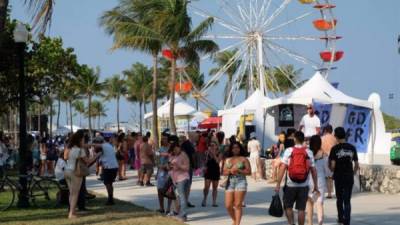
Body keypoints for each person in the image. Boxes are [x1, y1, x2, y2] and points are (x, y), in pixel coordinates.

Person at [275, 131, 319, 225]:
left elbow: (283, 168)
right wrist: (315, 185)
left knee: (288, 207)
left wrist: (278, 184)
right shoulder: (308, 152)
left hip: (290, 184)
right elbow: (314, 170)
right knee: (301, 209)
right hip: (304, 185)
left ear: (294, 139)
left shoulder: (289, 151)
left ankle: (291, 223)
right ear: (303, 140)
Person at [64, 132, 98, 219]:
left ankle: (72, 211)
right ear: (80, 139)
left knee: (71, 193)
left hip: (67, 170)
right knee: (75, 193)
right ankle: (71, 213)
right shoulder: (80, 150)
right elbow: (87, 161)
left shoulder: (68, 147)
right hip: (75, 172)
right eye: (83, 139)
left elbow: (65, 157)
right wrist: (96, 156)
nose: (84, 141)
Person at [329, 127, 359, 225]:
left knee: (339, 198)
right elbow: (357, 165)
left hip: (338, 177)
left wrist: (331, 169)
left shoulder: (334, 149)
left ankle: (341, 218)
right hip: (349, 176)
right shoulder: (352, 147)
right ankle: (347, 221)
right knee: (347, 200)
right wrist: (353, 173)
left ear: (336, 136)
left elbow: (333, 166)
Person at [223, 142, 251, 225]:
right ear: (231, 149)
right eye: (233, 147)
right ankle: (235, 220)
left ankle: (237, 223)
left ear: (240, 148)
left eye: (237, 147)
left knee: (238, 204)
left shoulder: (244, 159)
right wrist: (230, 171)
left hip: (241, 182)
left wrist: (239, 170)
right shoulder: (228, 159)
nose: (235, 149)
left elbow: (249, 172)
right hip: (230, 182)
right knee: (228, 205)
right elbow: (224, 172)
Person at [306, 135, 330, 225]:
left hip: (309, 181)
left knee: (310, 203)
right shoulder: (324, 155)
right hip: (320, 182)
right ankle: (320, 223)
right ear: (320, 143)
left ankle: (310, 223)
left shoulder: (307, 154)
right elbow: (327, 171)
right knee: (319, 204)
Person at [169, 140, 190, 222]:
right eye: (173, 149)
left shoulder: (183, 155)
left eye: (176, 149)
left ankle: (183, 215)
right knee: (177, 197)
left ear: (179, 147)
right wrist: (169, 166)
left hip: (182, 178)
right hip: (175, 179)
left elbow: (187, 168)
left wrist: (178, 166)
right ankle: (177, 212)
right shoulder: (174, 155)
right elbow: (171, 165)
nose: (175, 151)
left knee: (182, 197)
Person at [95, 135, 119, 205]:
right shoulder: (108, 146)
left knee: (107, 183)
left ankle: (110, 199)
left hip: (109, 168)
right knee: (110, 183)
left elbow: (95, 157)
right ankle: (111, 198)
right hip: (114, 167)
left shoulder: (103, 146)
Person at [202, 141, 221, 207]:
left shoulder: (219, 153)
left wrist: (213, 154)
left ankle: (214, 202)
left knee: (215, 187)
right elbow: (204, 161)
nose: (212, 147)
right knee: (206, 187)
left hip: (216, 171)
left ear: (216, 146)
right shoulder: (206, 153)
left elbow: (218, 161)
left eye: (213, 145)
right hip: (208, 171)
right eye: (211, 145)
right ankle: (204, 199)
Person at [156, 135, 172, 214]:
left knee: (169, 190)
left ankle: (168, 208)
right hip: (161, 171)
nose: (163, 140)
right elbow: (157, 160)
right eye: (162, 139)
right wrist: (159, 166)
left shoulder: (171, 148)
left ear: (168, 139)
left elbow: (172, 158)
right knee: (159, 189)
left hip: (169, 171)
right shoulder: (160, 149)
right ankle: (161, 207)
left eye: (165, 139)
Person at [321, 124, 337, 198]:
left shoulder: (322, 138)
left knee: (327, 177)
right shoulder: (334, 139)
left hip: (325, 157)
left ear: (325, 130)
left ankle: (329, 193)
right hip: (334, 158)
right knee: (333, 176)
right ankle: (334, 192)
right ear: (331, 130)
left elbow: (320, 149)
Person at [180, 134, 196, 208]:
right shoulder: (187, 144)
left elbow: (192, 155)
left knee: (185, 184)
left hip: (184, 166)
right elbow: (193, 155)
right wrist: (194, 164)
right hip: (187, 166)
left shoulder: (184, 145)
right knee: (187, 184)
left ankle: (184, 200)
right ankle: (185, 200)